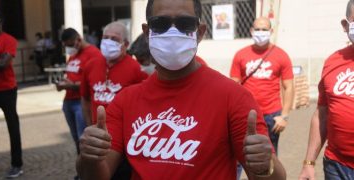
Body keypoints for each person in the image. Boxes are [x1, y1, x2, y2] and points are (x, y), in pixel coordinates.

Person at [76, 1, 286, 179]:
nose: (172, 32)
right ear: (147, 32)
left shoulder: (234, 97)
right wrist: (88, 156)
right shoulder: (126, 101)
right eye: (161, 23)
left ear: (200, 32)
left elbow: (274, 176)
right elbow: (98, 175)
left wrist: (265, 163)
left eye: (185, 23)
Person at [299, 1, 354, 179]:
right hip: (336, 165)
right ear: (345, 25)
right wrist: (309, 163)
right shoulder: (332, 61)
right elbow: (321, 114)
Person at [230, 17, 294, 154]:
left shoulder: (281, 55)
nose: (260, 32)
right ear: (251, 31)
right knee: (241, 153)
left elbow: (289, 86)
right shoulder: (240, 55)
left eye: (264, 29)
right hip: (245, 113)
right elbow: (233, 85)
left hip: (272, 115)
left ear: (271, 31)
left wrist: (284, 116)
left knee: (270, 155)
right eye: (257, 29)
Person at [81, 21, 148, 126]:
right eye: (105, 37)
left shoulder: (136, 69)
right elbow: (85, 98)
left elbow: (144, 104)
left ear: (125, 44)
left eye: (114, 39)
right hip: (97, 129)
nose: (108, 42)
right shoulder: (90, 65)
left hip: (123, 131)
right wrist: (89, 124)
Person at [55, 28, 103, 155]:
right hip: (68, 101)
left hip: (80, 102)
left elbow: (96, 82)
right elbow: (72, 74)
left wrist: (73, 86)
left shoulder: (94, 53)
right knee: (76, 138)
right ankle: (81, 169)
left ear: (78, 40)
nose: (68, 48)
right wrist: (63, 84)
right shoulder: (74, 54)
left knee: (84, 139)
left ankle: (88, 172)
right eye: (65, 46)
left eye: (69, 45)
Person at [0, 9, 23, 178]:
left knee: (13, 127)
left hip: (7, 90)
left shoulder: (8, 40)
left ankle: (17, 164)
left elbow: (4, 64)